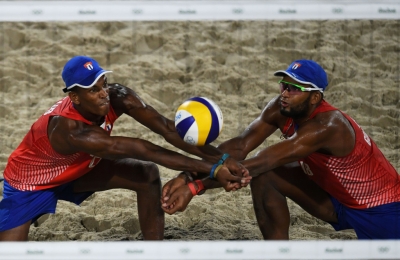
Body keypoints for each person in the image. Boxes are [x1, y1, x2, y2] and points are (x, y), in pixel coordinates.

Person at [0, 56, 250, 241]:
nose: (103, 94)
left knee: (146, 174)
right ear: (74, 98)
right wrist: (213, 169)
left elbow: (168, 129)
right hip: (30, 184)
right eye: (93, 90)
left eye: (103, 83)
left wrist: (223, 157)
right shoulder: (70, 130)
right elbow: (145, 149)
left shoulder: (118, 96)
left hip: (77, 168)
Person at [162, 59, 400, 239]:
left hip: (383, 210)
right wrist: (187, 174)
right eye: (284, 85)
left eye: (294, 89)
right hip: (334, 200)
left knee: (264, 167)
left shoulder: (328, 125)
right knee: (268, 176)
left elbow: (263, 161)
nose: (285, 93)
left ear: (315, 97)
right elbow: (239, 146)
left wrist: (196, 185)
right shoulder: (280, 108)